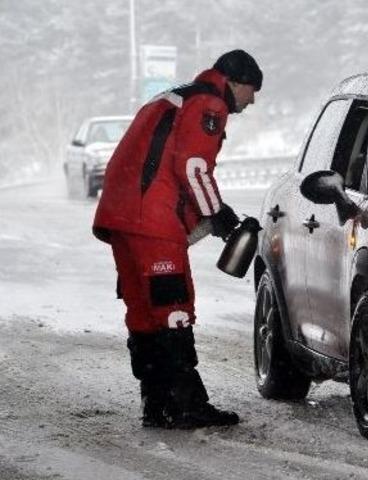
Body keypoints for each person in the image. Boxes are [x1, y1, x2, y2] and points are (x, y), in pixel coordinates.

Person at [92, 50, 262, 429]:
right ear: (236, 82)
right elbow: (193, 165)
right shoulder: (209, 102)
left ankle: (156, 402)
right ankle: (186, 404)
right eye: (253, 90)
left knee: (143, 309)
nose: (252, 101)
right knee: (173, 306)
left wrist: (211, 212)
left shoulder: (176, 95)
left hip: (121, 214)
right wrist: (217, 213)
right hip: (151, 217)